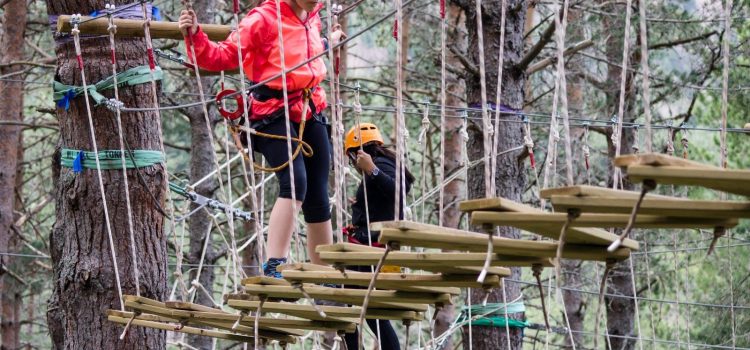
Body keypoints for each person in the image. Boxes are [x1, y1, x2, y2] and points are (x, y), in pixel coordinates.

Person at [178, 0, 346, 277]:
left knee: (318, 189)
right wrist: (195, 34)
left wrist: (330, 41)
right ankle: (275, 263)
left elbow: (307, 51)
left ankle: (323, 272)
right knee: (295, 182)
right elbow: (221, 57)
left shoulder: (312, 18)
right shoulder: (263, 19)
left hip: (309, 107)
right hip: (271, 112)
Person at [342, 122, 415, 350]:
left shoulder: (381, 164)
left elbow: (397, 192)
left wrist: (372, 168)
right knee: (361, 310)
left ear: (357, 153)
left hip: (371, 250)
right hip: (373, 247)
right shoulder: (385, 164)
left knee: (357, 309)